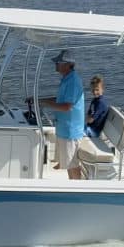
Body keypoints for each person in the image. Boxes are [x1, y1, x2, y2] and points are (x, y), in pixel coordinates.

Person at [38, 49, 85, 179]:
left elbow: (66, 107)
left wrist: (45, 104)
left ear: (67, 64)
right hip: (64, 129)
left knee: (72, 165)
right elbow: (60, 100)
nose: (56, 64)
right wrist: (39, 100)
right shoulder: (66, 79)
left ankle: (77, 192)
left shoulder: (73, 82)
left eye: (58, 62)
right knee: (70, 164)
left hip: (70, 132)